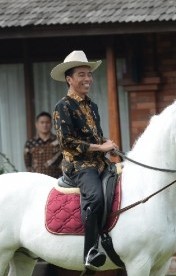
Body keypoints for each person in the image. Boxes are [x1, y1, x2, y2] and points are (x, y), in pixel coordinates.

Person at [51, 50, 118, 271]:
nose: (87, 79)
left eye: (89, 74)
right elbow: (67, 143)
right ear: (69, 79)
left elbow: (94, 137)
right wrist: (100, 147)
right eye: (82, 74)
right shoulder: (63, 107)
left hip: (99, 162)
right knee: (96, 197)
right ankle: (90, 251)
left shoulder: (92, 106)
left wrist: (106, 143)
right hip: (77, 166)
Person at [24, 111, 62, 178]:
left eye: (47, 122)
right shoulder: (30, 143)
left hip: (56, 179)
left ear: (51, 124)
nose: (45, 125)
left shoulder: (59, 141)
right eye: (42, 122)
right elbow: (28, 164)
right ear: (36, 124)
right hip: (37, 180)